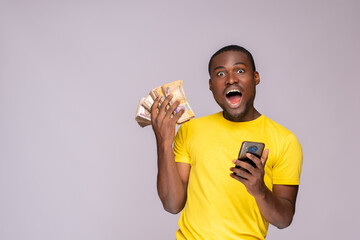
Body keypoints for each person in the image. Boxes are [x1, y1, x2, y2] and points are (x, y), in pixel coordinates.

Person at [150, 45, 303, 240]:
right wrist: (164, 142)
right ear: (211, 85)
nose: (231, 79)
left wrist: (260, 190)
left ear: (256, 77)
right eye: (220, 73)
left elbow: (284, 219)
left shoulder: (285, 140)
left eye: (240, 70)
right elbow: (172, 205)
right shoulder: (190, 130)